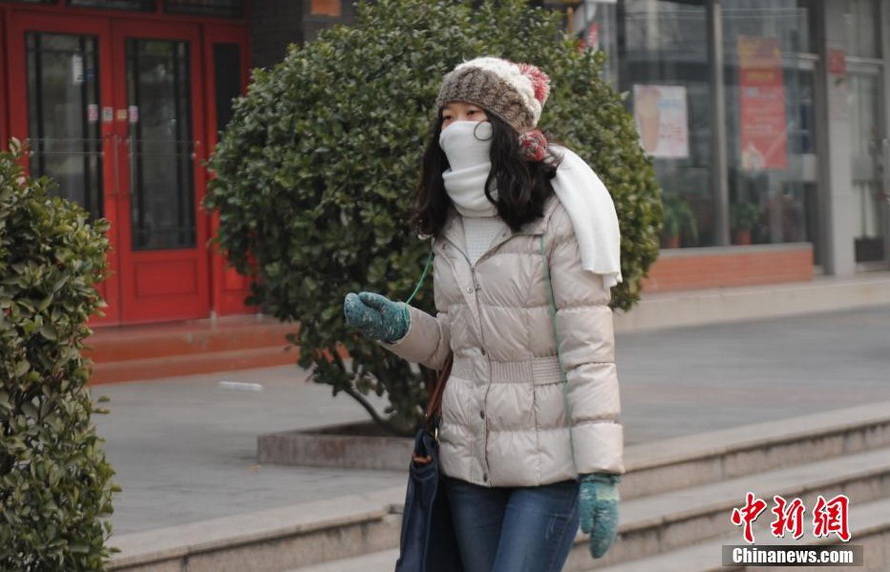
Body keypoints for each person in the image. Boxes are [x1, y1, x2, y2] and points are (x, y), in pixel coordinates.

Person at [344, 56, 623, 572]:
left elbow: (589, 355)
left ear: (506, 128)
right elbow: (459, 346)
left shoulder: (557, 217)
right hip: (467, 462)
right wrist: (400, 327)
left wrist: (601, 470)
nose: (457, 128)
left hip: (550, 465)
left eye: (473, 113)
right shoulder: (447, 222)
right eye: (448, 116)